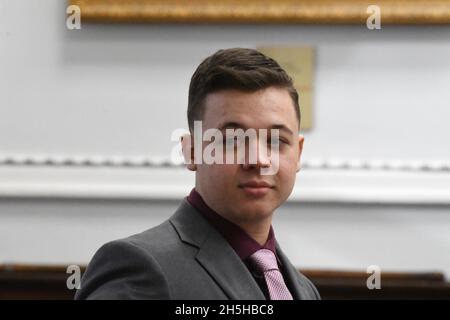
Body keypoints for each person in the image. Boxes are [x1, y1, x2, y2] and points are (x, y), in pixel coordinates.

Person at [75, 48, 320, 300]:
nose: (258, 160)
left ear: (298, 153)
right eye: (232, 140)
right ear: (191, 151)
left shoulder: (304, 290)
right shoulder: (139, 268)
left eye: (276, 140)